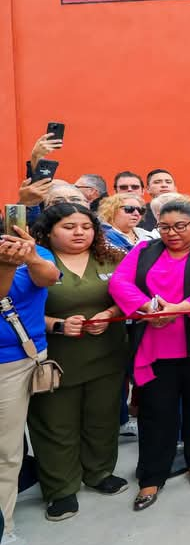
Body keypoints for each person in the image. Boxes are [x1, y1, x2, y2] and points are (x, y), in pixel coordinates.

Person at [108, 199, 190, 512]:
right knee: (155, 413)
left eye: (180, 226)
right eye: (164, 226)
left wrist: (178, 310)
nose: (171, 233)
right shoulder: (144, 251)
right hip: (154, 344)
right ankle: (151, 475)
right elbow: (120, 282)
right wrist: (147, 308)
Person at [27, 204, 129, 521]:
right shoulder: (33, 262)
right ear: (49, 231)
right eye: (69, 227)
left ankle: (99, 473)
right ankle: (60, 489)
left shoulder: (111, 257)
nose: (79, 233)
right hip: (56, 359)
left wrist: (110, 314)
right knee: (56, 423)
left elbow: (128, 296)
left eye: (86, 226)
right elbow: (13, 309)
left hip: (106, 353)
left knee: (102, 416)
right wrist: (56, 324)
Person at [0, 224, 59, 545]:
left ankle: (3, 528)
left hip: (11, 363)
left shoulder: (22, 250)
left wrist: (23, 257)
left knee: (6, 451)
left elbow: (48, 276)